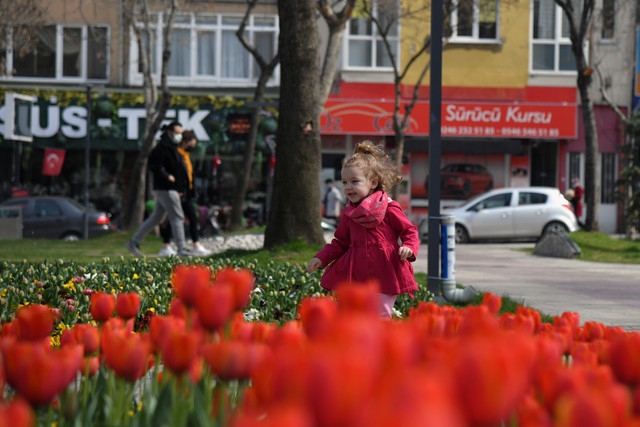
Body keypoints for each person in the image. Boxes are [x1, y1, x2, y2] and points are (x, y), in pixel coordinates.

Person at [306, 140, 420, 319]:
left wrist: (409, 247)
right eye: (344, 182)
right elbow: (340, 242)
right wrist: (321, 258)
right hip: (357, 273)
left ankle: (384, 346)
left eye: (354, 181)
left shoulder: (389, 208)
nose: (348, 187)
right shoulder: (349, 213)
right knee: (355, 316)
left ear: (373, 182)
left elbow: (409, 231)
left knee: (380, 316)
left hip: (386, 272)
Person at [125, 122, 190, 257]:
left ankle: (134, 242)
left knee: (157, 217)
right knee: (178, 217)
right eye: (177, 133)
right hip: (166, 187)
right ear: (169, 132)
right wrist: (168, 177)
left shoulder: (172, 148)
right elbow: (155, 166)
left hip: (168, 188)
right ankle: (181, 248)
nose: (179, 136)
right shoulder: (162, 149)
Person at [158, 130, 211, 257]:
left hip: (186, 192)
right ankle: (193, 245)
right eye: (192, 143)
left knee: (177, 218)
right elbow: (177, 175)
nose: (193, 146)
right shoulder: (177, 155)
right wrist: (178, 189)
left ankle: (168, 246)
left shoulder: (185, 155)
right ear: (186, 142)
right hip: (180, 192)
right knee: (186, 218)